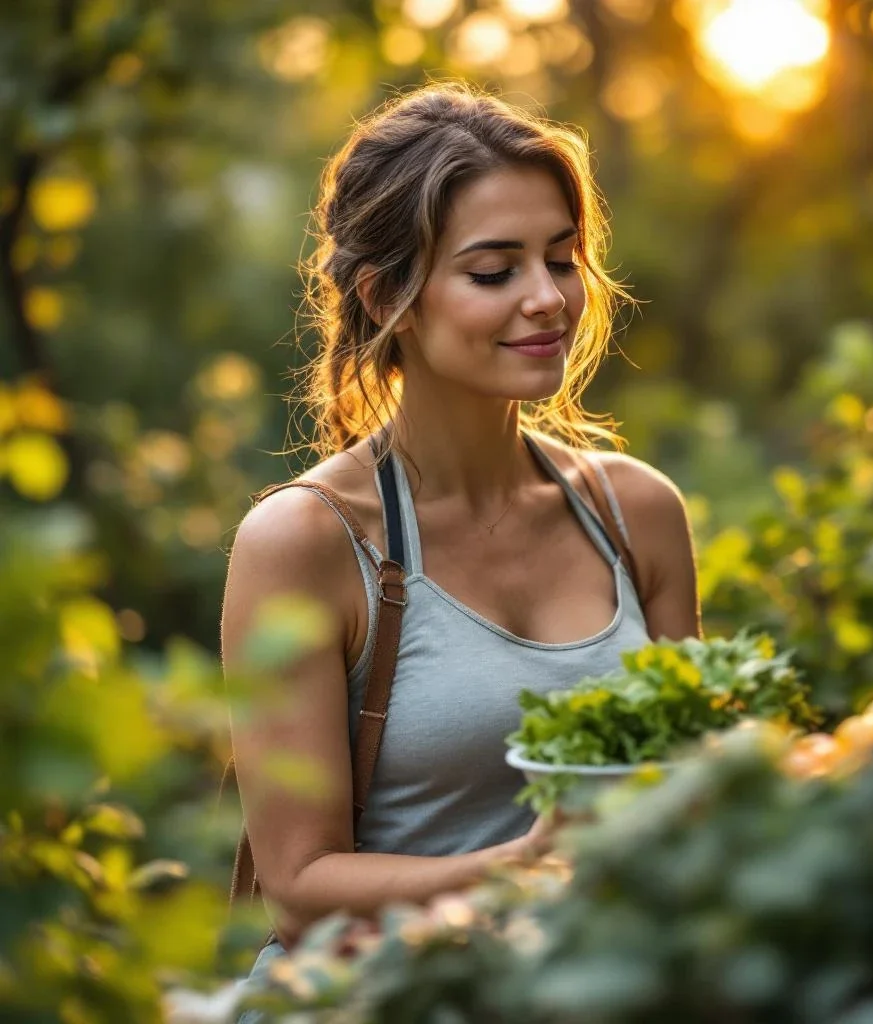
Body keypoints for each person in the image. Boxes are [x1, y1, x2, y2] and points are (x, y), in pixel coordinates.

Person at [221, 80, 701, 986]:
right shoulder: (308, 542)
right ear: (385, 294)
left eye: (561, 259)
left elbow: (694, 792)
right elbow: (298, 884)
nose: (548, 298)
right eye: (495, 271)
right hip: (382, 996)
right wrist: (524, 869)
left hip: (605, 989)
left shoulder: (636, 514)